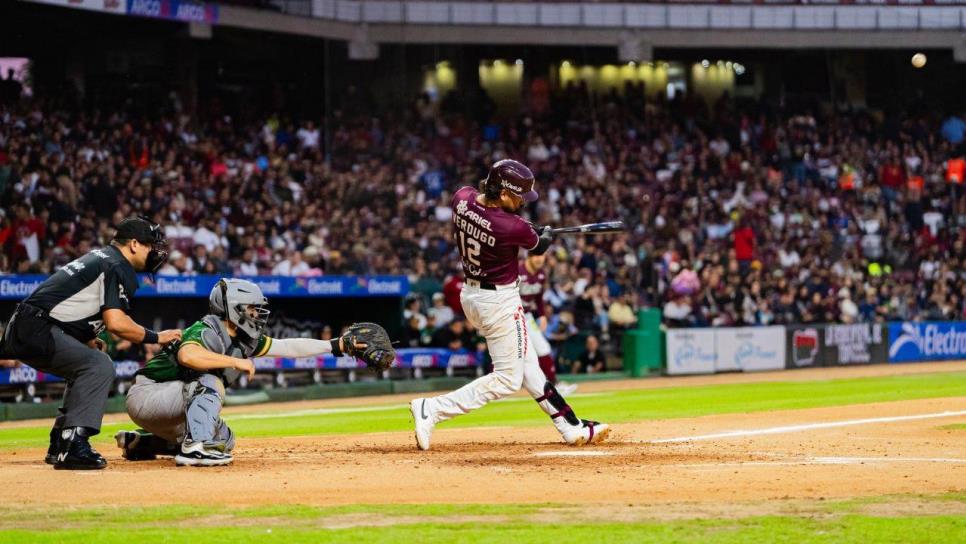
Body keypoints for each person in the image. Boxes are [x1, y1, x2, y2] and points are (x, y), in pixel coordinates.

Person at [410, 159, 610, 450]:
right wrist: (545, 235)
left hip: (472, 295)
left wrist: (533, 230)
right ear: (503, 193)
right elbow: (536, 244)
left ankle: (570, 426)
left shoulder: (461, 197)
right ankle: (434, 408)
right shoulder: (511, 226)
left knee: (530, 367)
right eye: (518, 196)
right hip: (499, 302)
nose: (522, 202)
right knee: (508, 379)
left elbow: (509, 224)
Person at [114, 279, 379, 466]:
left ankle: (144, 444)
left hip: (169, 406)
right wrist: (235, 362)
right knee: (209, 381)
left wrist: (336, 345)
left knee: (225, 440)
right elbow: (188, 355)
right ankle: (194, 450)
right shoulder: (205, 329)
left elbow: (287, 347)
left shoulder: (244, 339)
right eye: (252, 309)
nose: (257, 314)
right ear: (234, 309)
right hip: (147, 396)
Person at [0, 216, 181, 470]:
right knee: (99, 366)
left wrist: (85, 337)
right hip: (36, 328)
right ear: (133, 244)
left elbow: (70, 302)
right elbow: (116, 322)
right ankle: (73, 444)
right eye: (151, 245)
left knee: (86, 363)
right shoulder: (119, 265)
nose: (155, 252)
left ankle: (60, 443)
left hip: (29, 325)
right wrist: (157, 336)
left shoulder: (102, 257)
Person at [519, 253, 577, 395]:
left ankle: (555, 385)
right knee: (513, 353)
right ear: (529, 257)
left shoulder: (541, 275)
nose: (539, 259)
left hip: (526, 315)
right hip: (510, 316)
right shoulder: (518, 272)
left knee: (543, 348)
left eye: (542, 256)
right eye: (536, 256)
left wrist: (542, 315)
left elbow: (538, 299)